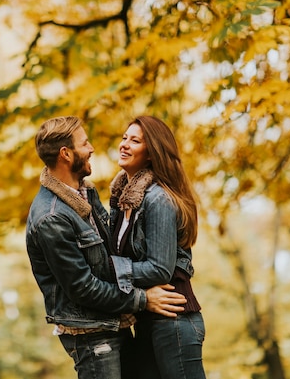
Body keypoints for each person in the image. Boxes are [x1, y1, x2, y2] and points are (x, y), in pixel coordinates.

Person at [25, 116, 187, 379]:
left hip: (113, 324)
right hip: (92, 337)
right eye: (85, 143)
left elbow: (109, 255)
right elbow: (83, 288)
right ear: (66, 154)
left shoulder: (84, 194)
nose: (91, 149)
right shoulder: (52, 217)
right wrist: (143, 300)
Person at [109, 115, 206, 379]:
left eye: (135, 141)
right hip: (146, 318)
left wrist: (109, 269)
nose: (124, 145)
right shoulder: (122, 202)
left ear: (152, 153)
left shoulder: (158, 199)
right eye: (124, 137)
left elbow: (160, 269)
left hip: (174, 321)